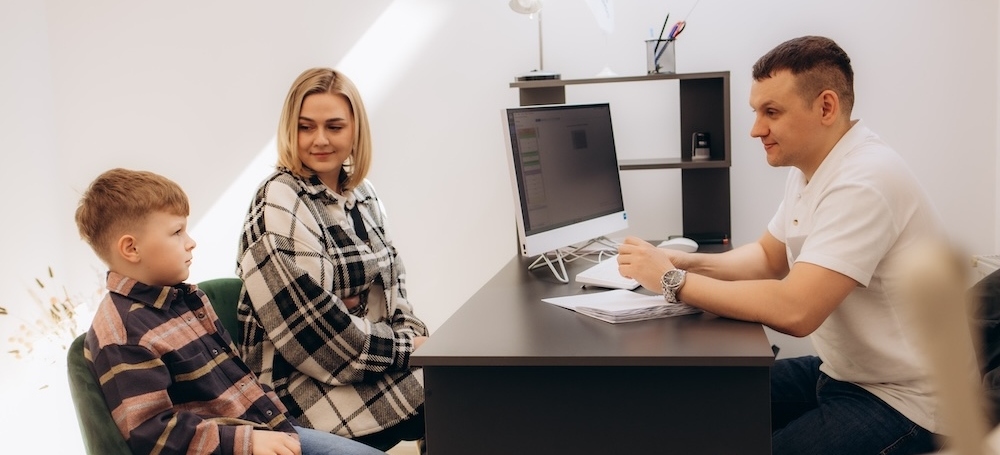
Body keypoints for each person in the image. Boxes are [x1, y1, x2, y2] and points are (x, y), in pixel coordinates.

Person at [617, 36, 971, 454]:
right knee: (696, 406)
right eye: (756, 111)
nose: (755, 129)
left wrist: (671, 280)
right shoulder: (811, 166)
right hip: (843, 375)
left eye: (771, 112)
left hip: (908, 402)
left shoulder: (864, 181)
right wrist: (679, 261)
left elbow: (795, 310)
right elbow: (768, 258)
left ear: (825, 107)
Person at [76, 168, 386, 455]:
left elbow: (241, 383)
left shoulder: (189, 300)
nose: (191, 242)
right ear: (131, 249)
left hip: (272, 431)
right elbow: (153, 434)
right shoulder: (124, 333)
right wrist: (249, 442)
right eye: (177, 232)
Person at [236, 68, 428, 452]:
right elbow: (316, 336)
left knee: (465, 384)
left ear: (356, 131)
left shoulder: (364, 194)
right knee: (456, 393)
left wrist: (404, 332)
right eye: (306, 127)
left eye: (334, 127)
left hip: (364, 363)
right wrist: (408, 348)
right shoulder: (279, 199)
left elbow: (394, 289)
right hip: (300, 387)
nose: (319, 140)